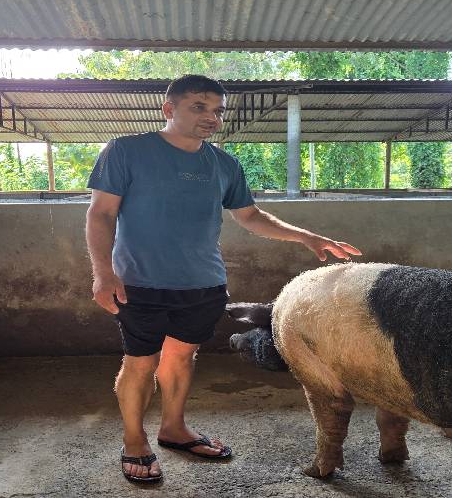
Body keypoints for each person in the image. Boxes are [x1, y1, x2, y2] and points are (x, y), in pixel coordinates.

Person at [85, 74, 361, 483]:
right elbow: (101, 213)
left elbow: (250, 216)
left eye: (217, 110)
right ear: (169, 109)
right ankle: (134, 440)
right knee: (141, 362)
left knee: (181, 357)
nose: (211, 117)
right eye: (199, 107)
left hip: (203, 284)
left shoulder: (224, 164)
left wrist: (307, 237)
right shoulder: (126, 151)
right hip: (139, 284)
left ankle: (174, 428)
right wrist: (103, 274)